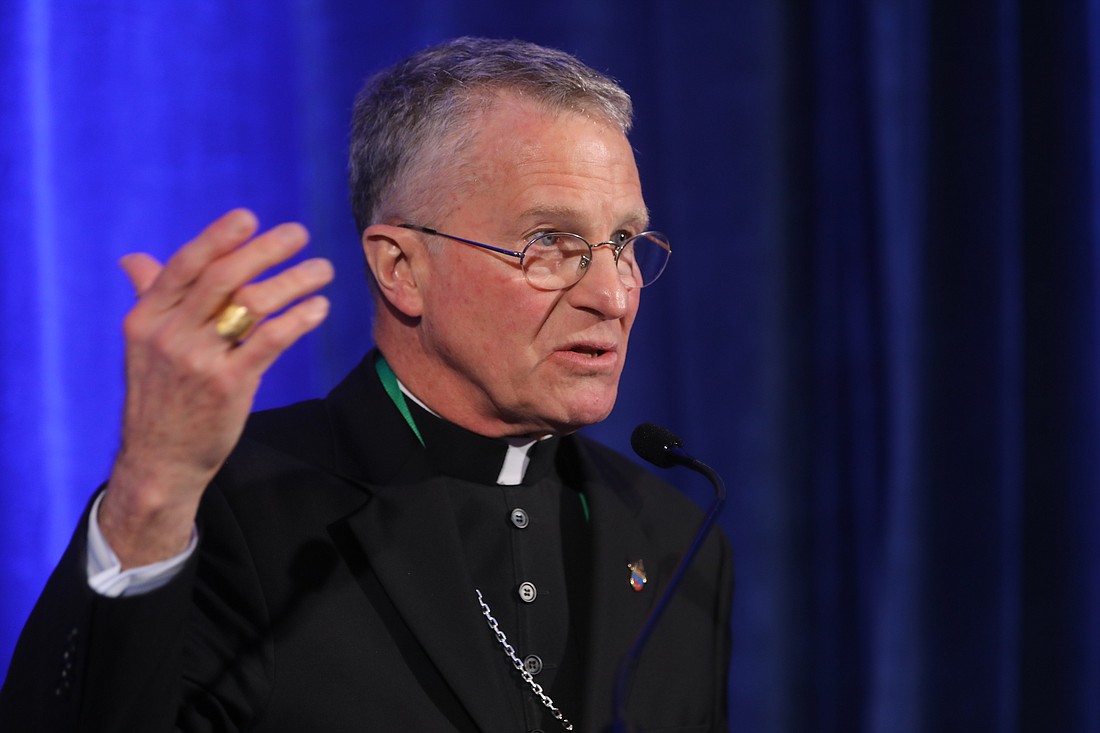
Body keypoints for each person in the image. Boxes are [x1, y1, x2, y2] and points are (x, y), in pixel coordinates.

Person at [0, 37, 732, 732]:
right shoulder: (233, 511)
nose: (612, 292)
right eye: (550, 243)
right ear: (401, 270)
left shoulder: (676, 541)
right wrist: (151, 496)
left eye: (625, 244)